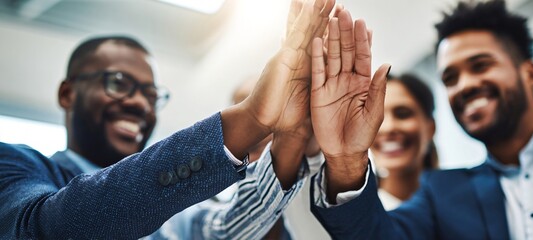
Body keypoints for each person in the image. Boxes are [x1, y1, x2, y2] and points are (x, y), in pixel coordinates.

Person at [0, 0, 336, 238]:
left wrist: (291, 136)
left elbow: (228, 232)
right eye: (118, 83)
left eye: (151, 94)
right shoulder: (15, 164)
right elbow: (44, 228)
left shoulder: (180, 208)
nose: (138, 103)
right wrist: (250, 118)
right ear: (67, 94)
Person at [309, 0, 533, 239]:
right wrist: (346, 160)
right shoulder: (442, 193)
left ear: (530, 73)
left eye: (480, 65)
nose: (464, 85)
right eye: (450, 78)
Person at [372, 73, 438, 210]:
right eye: (376, 118)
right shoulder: (359, 214)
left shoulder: (458, 203)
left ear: (430, 128)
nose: (388, 127)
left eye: (403, 114)